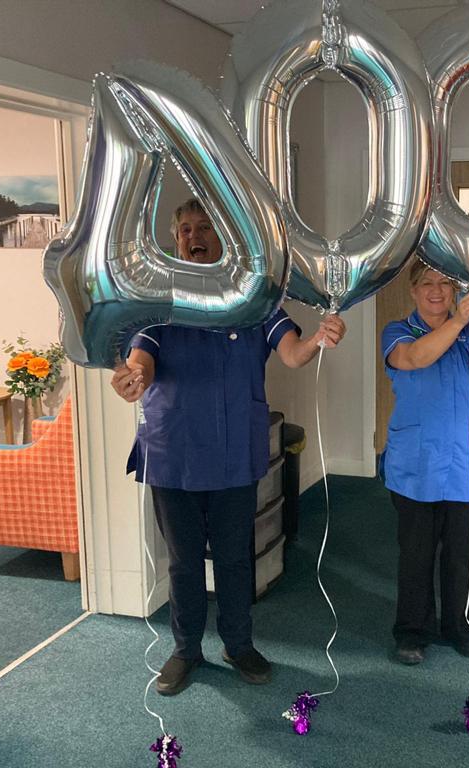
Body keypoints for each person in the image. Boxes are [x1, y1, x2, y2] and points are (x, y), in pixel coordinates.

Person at [110, 198, 346, 695]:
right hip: (174, 454)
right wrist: (133, 377)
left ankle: (238, 644)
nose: (195, 237)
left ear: (223, 239)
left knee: (237, 559)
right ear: (176, 241)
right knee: (184, 560)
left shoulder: (254, 300)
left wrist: (320, 338)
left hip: (235, 454)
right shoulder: (160, 303)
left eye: (205, 228)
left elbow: (293, 354)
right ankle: (185, 650)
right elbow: (141, 360)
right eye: (186, 229)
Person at [380, 261, 469, 665]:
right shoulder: (397, 332)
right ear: (413, 292)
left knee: (463, 552)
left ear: (455, 292)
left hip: (466, 461)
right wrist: (459, 321)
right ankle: (412, 631)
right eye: (427, 284)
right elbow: (415, 359)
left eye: (445, 284)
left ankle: (461, 626)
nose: (436, 291)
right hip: (416, 463)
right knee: (415, 552)